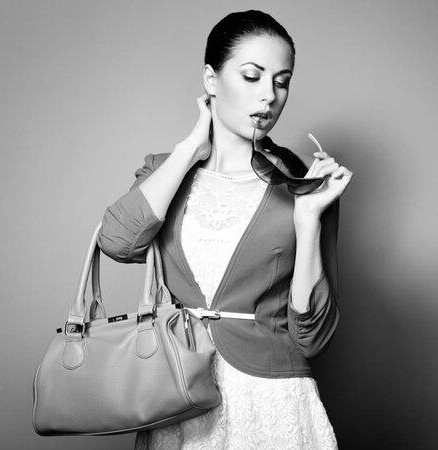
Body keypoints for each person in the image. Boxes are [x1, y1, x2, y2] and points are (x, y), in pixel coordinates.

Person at [97, 9, 353, 449]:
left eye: (282, 80)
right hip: (178, 392)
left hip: (271, 399)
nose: (269, 96)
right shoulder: (164, 171)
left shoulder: (303, 184)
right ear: (211, 80)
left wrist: (308, 219)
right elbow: (117, 242)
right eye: (252, 76)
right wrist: (190, 148)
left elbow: (312, 336)